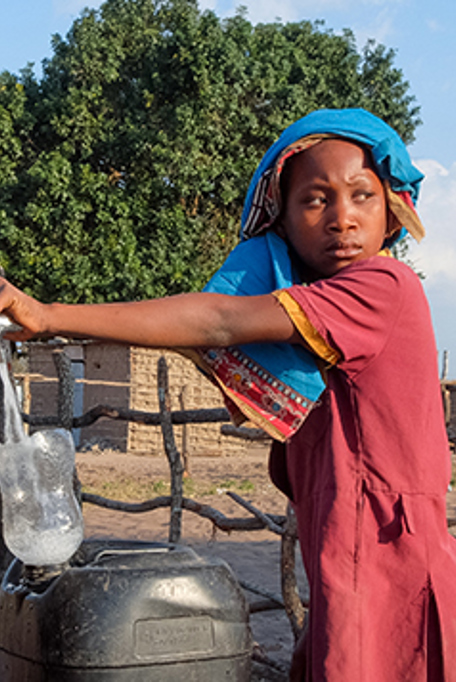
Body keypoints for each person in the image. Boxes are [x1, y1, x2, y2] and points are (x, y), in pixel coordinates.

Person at [0, 108, 454, 681]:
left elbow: (218, 321)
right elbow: (211, 340)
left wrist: (46, 315)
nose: (342, 218)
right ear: (281, 223)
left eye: (362, 195)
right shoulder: (314, 329)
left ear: (392, 209)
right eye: (316, 200)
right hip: (348, 553)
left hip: (389, 559)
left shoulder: (383, 288)